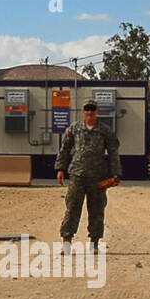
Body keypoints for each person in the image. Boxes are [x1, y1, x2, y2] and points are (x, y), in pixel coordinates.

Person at [55, 99, 120, 246]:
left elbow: (113, 153)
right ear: (83, 111)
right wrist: (60, 169)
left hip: (98, 178)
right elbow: (64, 149)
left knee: (96, 211)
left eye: (92, 109)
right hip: (77, 176)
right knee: (72, 208)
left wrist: (116, 174)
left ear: (97, 111)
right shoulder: (75, 128)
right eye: (87, 109)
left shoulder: (105, 131)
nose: (90, 112)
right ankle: (66, 240)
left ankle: (94, 242)